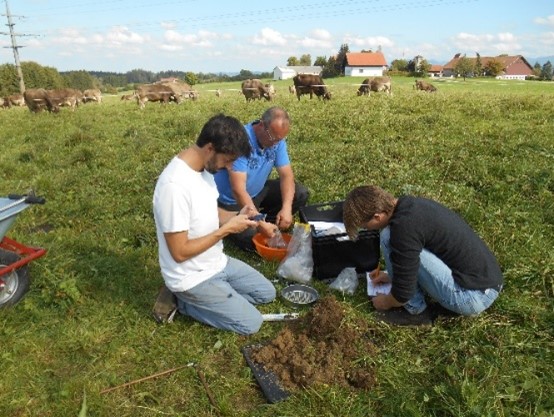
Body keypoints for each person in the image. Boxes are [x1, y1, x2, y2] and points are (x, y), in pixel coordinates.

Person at [152, 113, 276, 335]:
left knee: (267, 294)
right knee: (251, 323)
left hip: (217, 262)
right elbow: (179, 252)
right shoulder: (174, 187)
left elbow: (210, 210)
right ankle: (184, 303)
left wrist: (240, 216)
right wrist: (226, 230)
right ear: (210, 148)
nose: (229, 168)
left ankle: (219, 298)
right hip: (190, 277)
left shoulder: (203, 170)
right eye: (228, 160)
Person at [343, 185, 503, 325]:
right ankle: (410, 293)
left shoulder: (403, 231)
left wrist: (385, 302)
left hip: (472, 296)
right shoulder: (411, 206)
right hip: (485, 281)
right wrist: (394, 276)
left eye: (365, 225)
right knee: (388, 236)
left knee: (391, 239)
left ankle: (416, 312)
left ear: (378, 216)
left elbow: (403, 293)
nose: (367, 229)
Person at [214, 106, 309, 251]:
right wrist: (259, 223)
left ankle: (266, 221)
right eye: (274, 138)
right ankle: (250, 223)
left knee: (300, 193)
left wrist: (286, 208)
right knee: (251, 238)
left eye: (280, 139)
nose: (276, 144)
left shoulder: (277, 141)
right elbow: (238, 190)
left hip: (256, 192)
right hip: (232, 203)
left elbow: (286, 175)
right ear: (262, 125)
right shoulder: (240, 141)